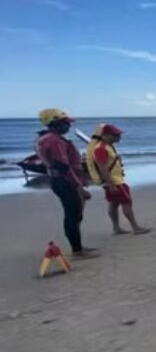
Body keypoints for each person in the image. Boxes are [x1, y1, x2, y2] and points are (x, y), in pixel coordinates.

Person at [36, 109, 97, 258]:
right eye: (66, 123)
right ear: (55, 123)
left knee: (75, 215)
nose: (68, 126)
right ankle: (77, 250)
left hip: (62, 181)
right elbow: (64, 167)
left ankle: (78, 246)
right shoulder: (54, 140)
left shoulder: (45, 138)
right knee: (73, 215)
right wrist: (79, 188)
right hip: (65, 181)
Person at [85, 124, 150, 235]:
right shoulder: (101, 148)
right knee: (127, 202)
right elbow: (102, 168)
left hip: (112, 180)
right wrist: (111, 184)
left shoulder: (107, 146)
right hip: (115, 181)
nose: (118, 137)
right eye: (115, 135)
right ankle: (136, 227)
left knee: (114, 203)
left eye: (118, 134)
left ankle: (116, 228)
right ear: (105, 135)